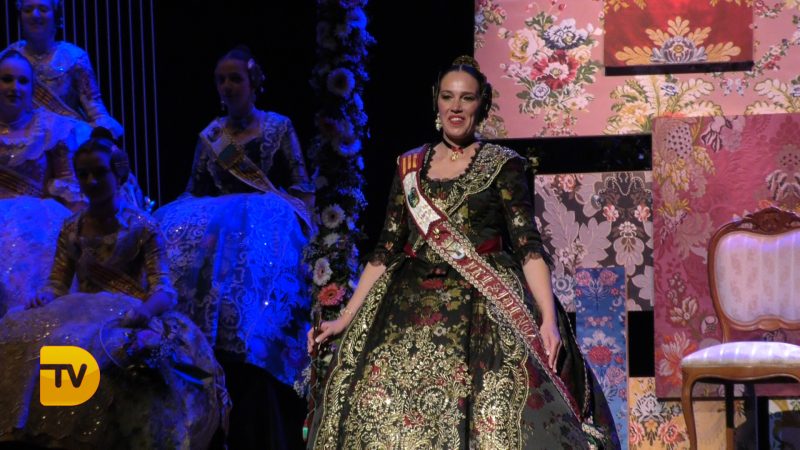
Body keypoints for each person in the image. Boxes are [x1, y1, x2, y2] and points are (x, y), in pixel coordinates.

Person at [305, 56, 620, 449]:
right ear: (435, 102)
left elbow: (528, 247)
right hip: (404, 304)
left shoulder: (504, 166)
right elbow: (384, 249)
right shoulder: (408, 166)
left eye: (466, 98)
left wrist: (549, 322)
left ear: (481, 105)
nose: (455, 107)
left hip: (485, 306)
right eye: (447, 97)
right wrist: (346, 317)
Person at [0, 129, 228, 449]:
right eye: (83, 174)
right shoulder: (71, 227)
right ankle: (64, 434)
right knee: (38, 341)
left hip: (129, 313)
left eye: (99, 172)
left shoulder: (142, 227)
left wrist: (143, 312)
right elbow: (57, 282)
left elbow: (163, 289)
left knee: (116, 352)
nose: (91, 181)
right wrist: (45, 296)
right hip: (80, 313)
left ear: (118, 173)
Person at [153, 46, 314, 449]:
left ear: (254, 82)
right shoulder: (211, 136)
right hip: (221, 237)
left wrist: (288, 218)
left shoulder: (278, 127)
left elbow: (300, 187)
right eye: (221, 80)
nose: (227, 86)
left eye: (235, 78)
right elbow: (194, 190)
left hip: (265, 230)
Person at [3, 0, 151, 211]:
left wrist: (102, 137)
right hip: (28, 139)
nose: (35, 15)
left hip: (71, 138)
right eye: (28, 10)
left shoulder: (74, 57)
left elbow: (95, 107)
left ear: (56, 16)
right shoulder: (8, 57)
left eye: (43, 9)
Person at [0, 49, 88, 317]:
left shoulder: (50, 127)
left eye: (23, 81)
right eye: (7, 79)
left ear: (32, 87)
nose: (15, 87)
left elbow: (68, 183)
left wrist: (83, 229)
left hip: (39, 219)